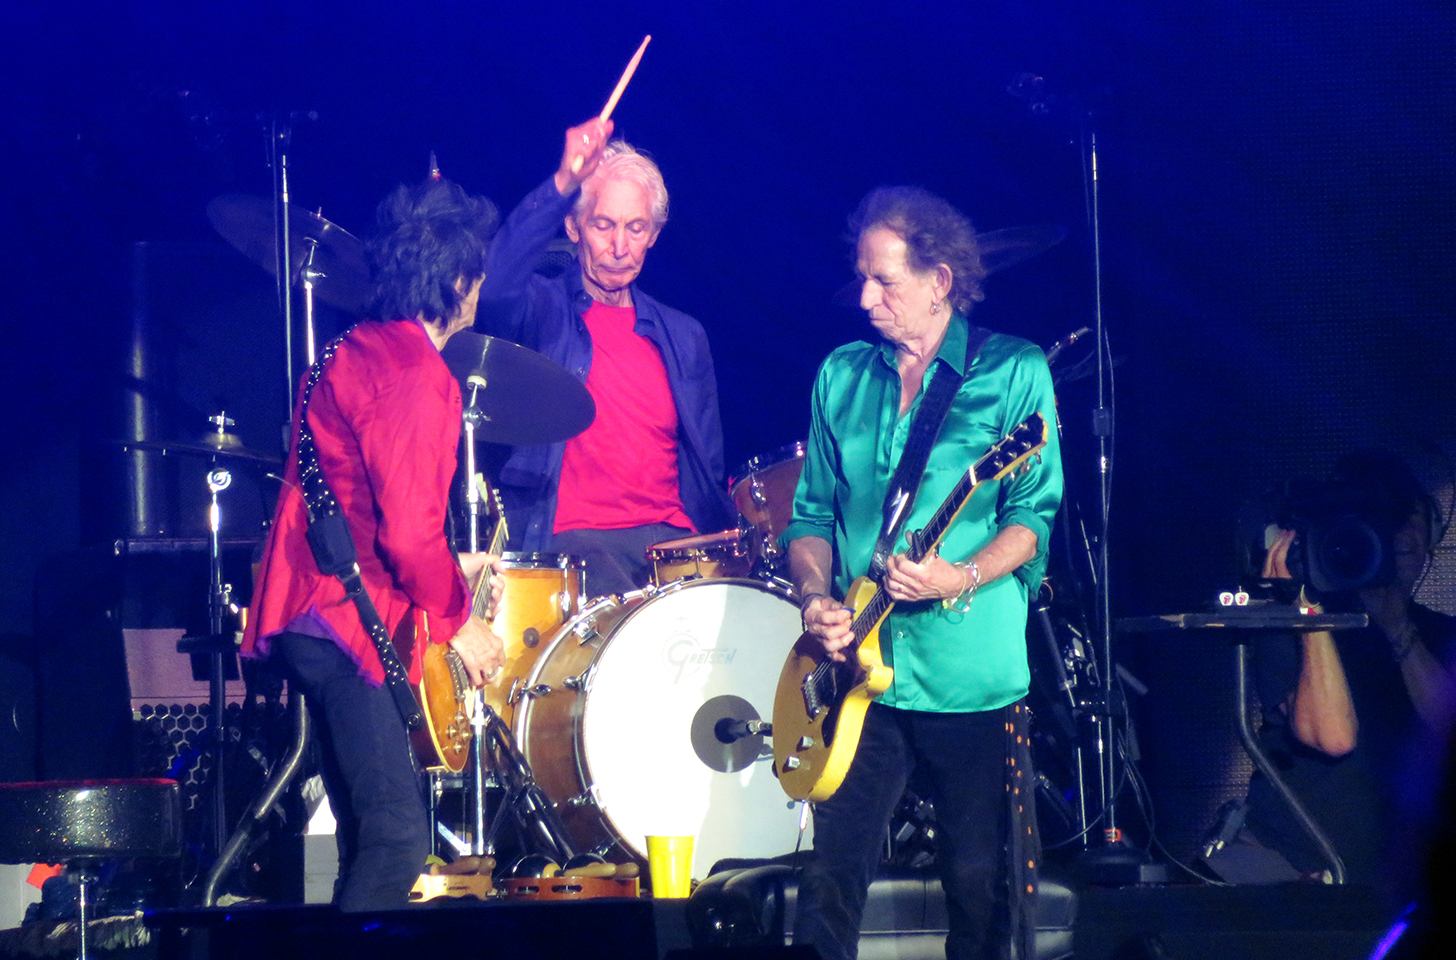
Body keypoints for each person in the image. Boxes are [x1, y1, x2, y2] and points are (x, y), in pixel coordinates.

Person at [785, 186, 1063, 960]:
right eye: (862, 279)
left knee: (980, 887)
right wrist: (813, 598)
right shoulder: (843, 374)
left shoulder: (1012, 370)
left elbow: (1031, 519)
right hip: (861, 670)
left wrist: (958, 575)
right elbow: (809, 516)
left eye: (885, 282)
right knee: (829, 881)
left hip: (969, 672)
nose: (865, 299)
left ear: (940, 280)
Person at [242, 177, 506, 911]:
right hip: (343, 625)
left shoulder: (349, 349)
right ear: (459, 280)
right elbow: (409, 534)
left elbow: (356, 504)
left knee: (365, 837)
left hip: (307, 611)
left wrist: (448, 565)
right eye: (478, 272)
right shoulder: (417, 375)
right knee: (396, 840)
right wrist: (458, 623)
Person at [473, 119, 734, 596]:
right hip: (577, 544)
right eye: (603, 225)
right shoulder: (543, 310)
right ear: (573, 226)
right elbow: (495, 285)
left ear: (654, 233)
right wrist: (563, 182)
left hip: (674, 543)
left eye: (636, 228)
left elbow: (708, 467)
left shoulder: (685, 335)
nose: (619, 247)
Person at [1210, 452, 1456, 900]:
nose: (1400, 540)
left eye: (1412, 525)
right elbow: (1333, 735)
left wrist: (1397, 628)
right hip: (1301, 873)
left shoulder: (1441, 635)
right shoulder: (1291, 627)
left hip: (1394, 881)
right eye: (1384, 525)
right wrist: (1307, 609)